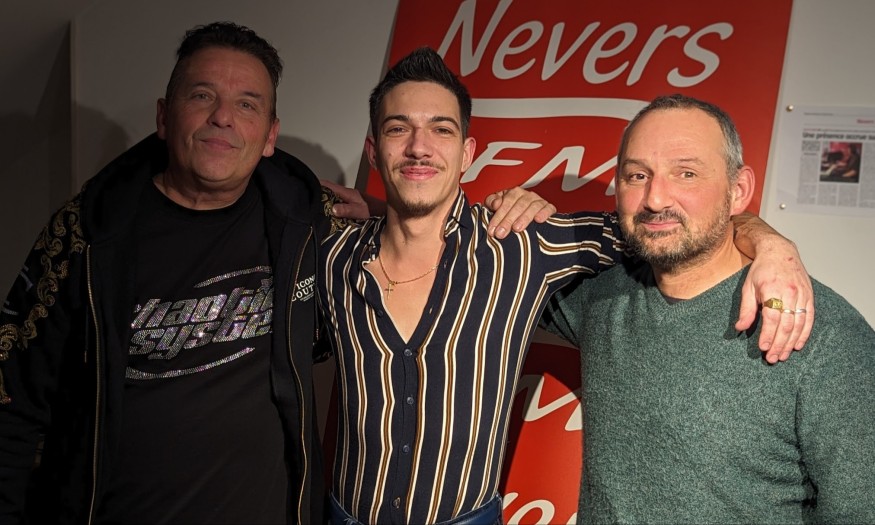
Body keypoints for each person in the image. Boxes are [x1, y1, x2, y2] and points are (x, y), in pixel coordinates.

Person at [318, 48, 815, 525]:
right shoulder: (332, 255)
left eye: (441, 129)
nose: (419, 147)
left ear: (467, 152)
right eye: (398, 128)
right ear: (374, 150)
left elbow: (668, 225)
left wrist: (771, 243)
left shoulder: (520, 244)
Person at [0, 22, 349, 524]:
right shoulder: (83, 236)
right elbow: (13, 405)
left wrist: (390, 207)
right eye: (202, 95)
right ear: (164, 116)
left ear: (270, 135)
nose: (223, 117)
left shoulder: (308, 225)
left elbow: (412, 246)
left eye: (247, 104)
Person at [541, 94, 875, 523]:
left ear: (739, 190)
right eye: (637, 175)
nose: (655, 198)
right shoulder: (599, 298)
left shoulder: (823, 333)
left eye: (687, 173)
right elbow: (484, 281)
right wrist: (515, 214)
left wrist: (767, 239)